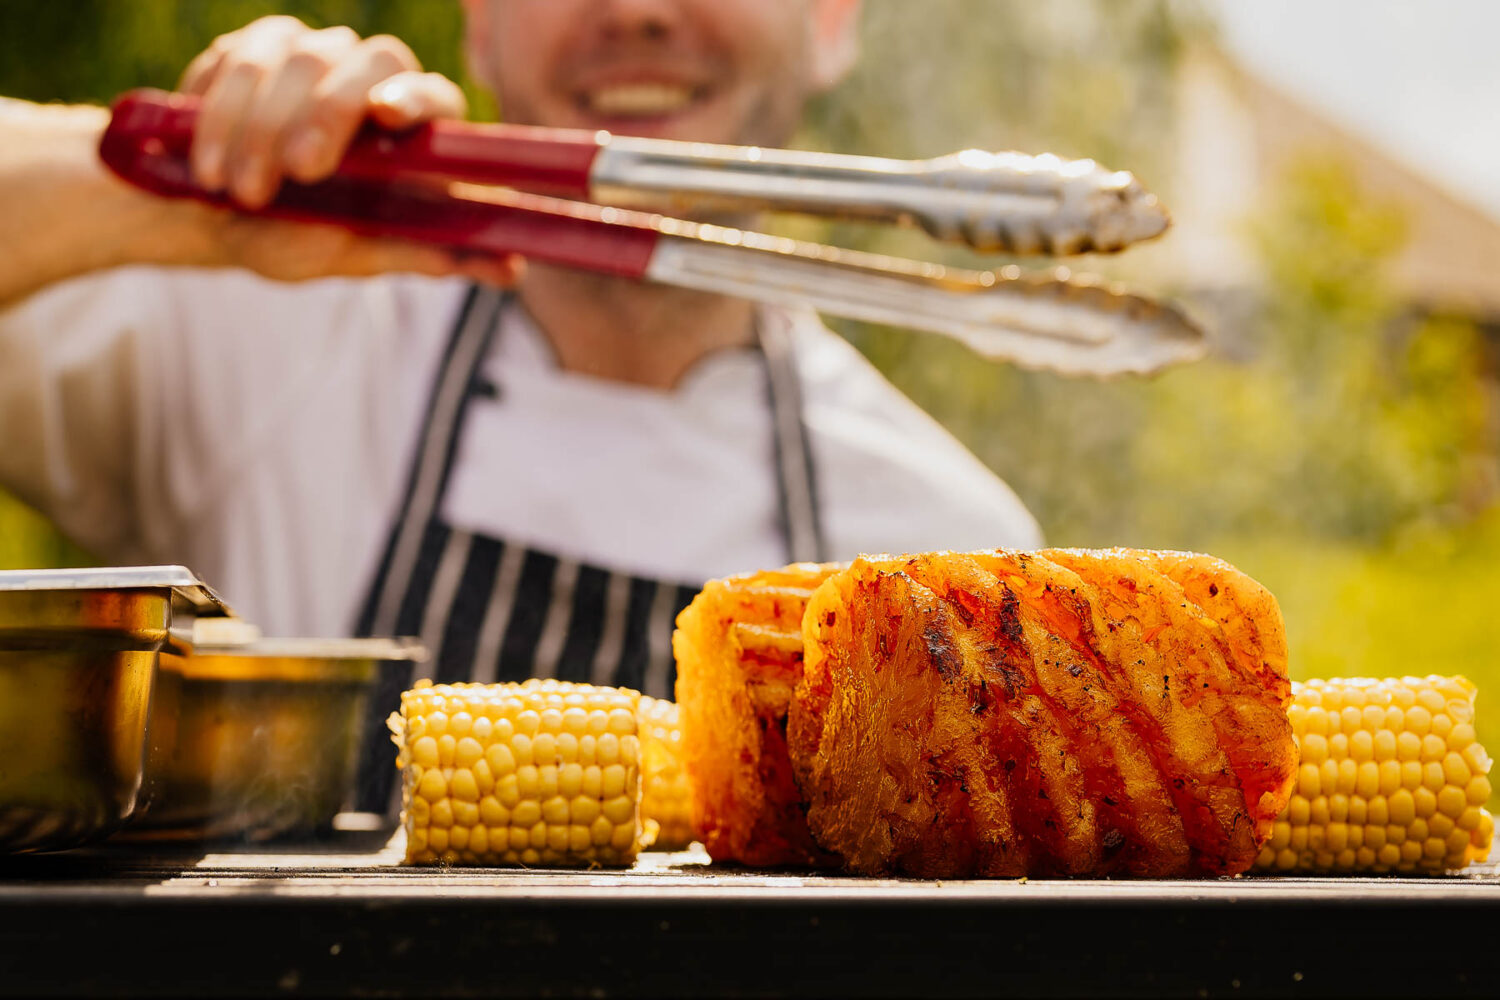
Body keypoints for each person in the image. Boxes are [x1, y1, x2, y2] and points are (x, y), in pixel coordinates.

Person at [0, 1, 1040, 807]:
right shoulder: (254, 324)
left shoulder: (952, 560)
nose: (636, 10)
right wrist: (170, 187)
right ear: (481, 25)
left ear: (828, 21)